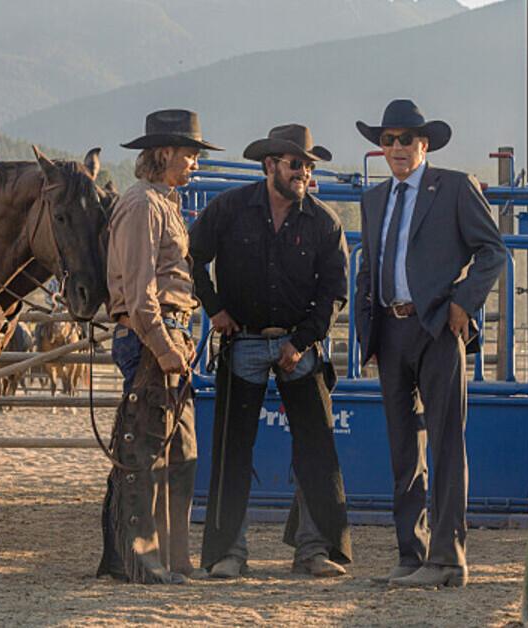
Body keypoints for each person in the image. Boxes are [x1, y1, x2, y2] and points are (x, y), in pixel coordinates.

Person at [353, 99, 506, 587]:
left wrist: (463, 304)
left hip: (438, 326)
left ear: (424, 144)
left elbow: (493, 251)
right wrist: (368, 332)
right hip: (390, 330)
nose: (396, 147)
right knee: (403, 447)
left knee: (444, 441)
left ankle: (447, 558)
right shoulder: (375, 199)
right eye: (387, 140)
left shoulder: (456, 188)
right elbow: (367, 268)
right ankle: (410, 554)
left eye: (405, 139)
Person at [190, 124, 352, 579]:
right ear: (270, 166)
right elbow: (192, 255)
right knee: (232, 449)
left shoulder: (324, 221)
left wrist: (300, 342)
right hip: (242, 339)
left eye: (307, 165)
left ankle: (314, 550)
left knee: (316, 448)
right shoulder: (228, 209)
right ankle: (228, 552)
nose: (303, 172)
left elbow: (333, 293)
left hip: (298, 344)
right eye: (295, 163)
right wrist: (215, 308)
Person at [97, 109, 222, 584]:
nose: (194, 162)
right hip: (154, 338)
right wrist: (164, 344)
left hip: (169, 336)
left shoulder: (160, 202)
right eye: (190, 154)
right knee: (148, 449)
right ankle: (141, 559)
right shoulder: (144, 204)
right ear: (165, 152)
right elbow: (138, 286)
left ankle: (169, 559)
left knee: (177, 451)